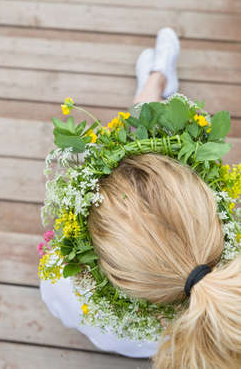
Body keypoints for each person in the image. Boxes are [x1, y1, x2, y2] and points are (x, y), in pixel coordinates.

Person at [39, 29, 241, 367]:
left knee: (144, 121)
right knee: (148, 121)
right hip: (153, 343)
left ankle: (156, 79)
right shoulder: (225, 294)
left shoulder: (67, 286)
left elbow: (59, 307)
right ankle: (157, 79)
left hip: (119, 340)